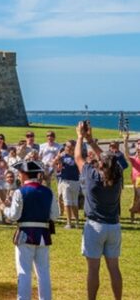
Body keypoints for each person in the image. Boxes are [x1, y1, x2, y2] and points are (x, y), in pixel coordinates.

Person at [75, 122, 123, 300]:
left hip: (95, 226)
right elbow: (105, 159)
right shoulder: (117, 177)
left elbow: (78, 157)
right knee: (114, 268)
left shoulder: (92, 176)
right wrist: (90, 140)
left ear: (101, 165)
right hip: (114, 226)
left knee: (93, 269)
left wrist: (81, 137)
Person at [1, 161, 60, 300]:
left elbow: (14, 216)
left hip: (25, 234)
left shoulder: (19, 192)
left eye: (20, 173)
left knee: (24, 271)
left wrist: (4, 209)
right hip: (43, 235)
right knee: (43, 272)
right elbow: (55, 215)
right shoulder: (48, 191)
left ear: (24, 174)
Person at [53, 140, 81, 229]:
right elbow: (56, 167)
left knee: (74, 203)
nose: (67, 148)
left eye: (69, 146)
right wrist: (58, 158)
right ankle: (69, 222)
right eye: (66, 146)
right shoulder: (62, 156)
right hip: (65, 181)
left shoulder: (77, 156)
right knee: (67, 202)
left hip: (75, 181)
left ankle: (77, 221)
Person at [123, 133, 140, 222]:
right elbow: (126, 154)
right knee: (136, 198)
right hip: (136, 181)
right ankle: (132, 216)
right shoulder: (134, 159)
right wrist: (125, 141)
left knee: (137, 199)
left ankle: (133, 212)